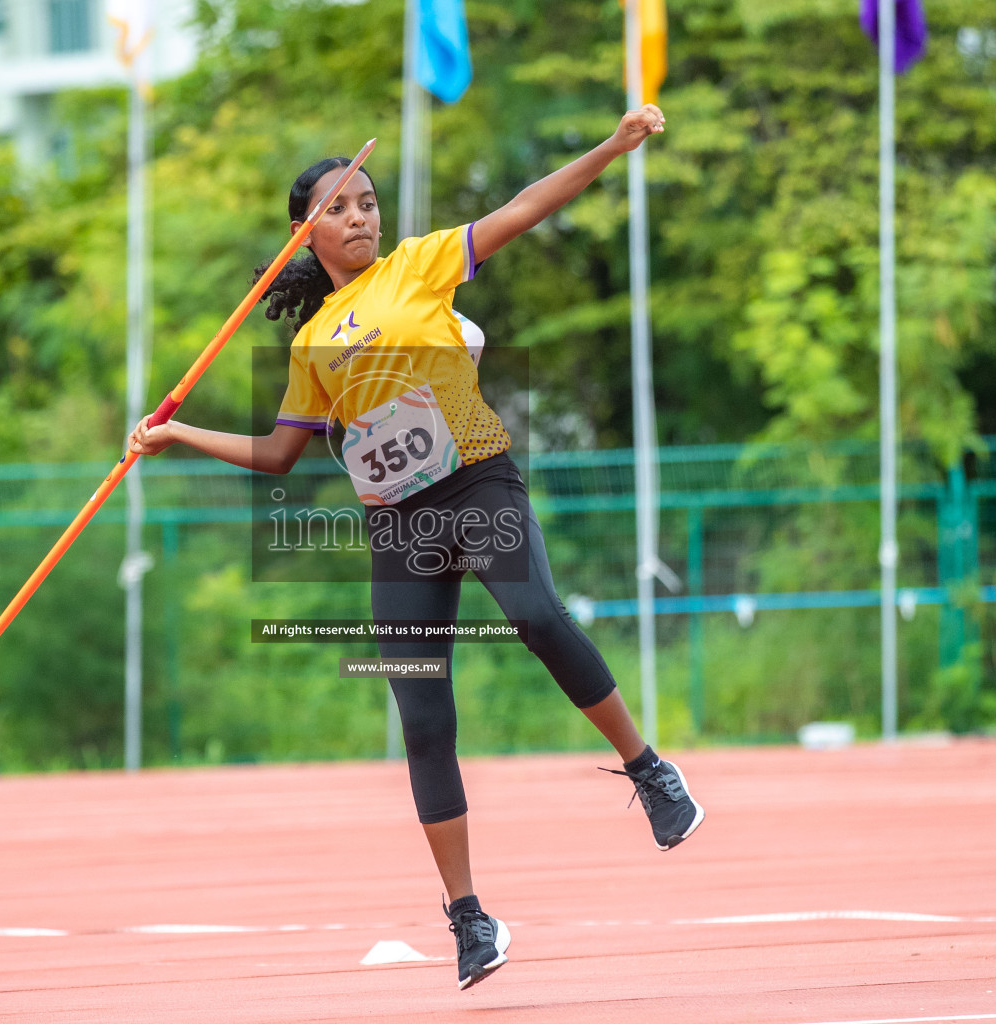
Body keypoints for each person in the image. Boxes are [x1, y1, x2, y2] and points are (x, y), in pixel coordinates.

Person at [130, 105, 704, 991]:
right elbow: (282, 453)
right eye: (342, 207)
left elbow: (522, 208)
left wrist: (613, 145)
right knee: (425, 720)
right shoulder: (313, 342)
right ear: (306, 232)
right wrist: (178, 436)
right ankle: (469, 918)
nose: (362, 216)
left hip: (475, 478)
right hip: (399, 525)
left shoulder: (420, 263)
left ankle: (649, 769)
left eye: (368, 200)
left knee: (538, 616)